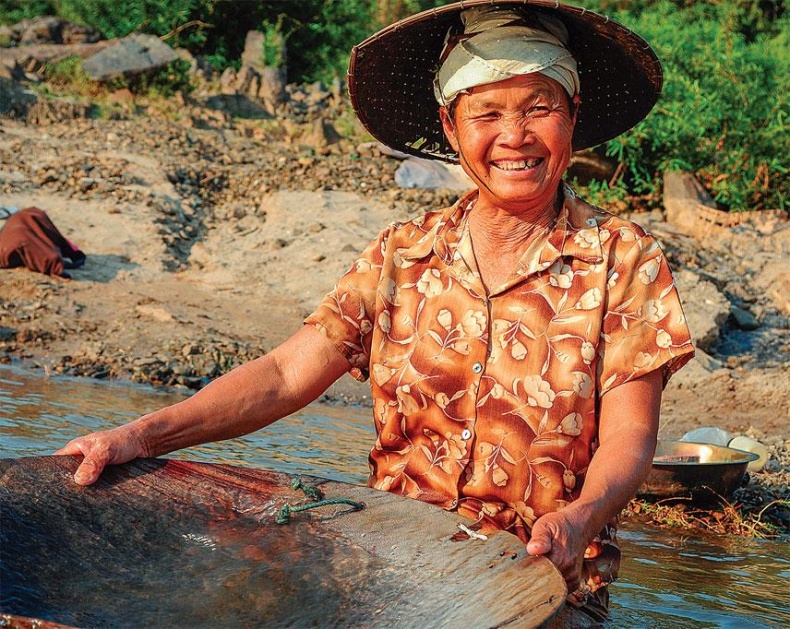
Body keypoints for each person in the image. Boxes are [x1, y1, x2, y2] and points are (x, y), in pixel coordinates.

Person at [58, 1, 694, 625]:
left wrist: (581, 516)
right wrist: (139, 436)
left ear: (572, 117)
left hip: (543, 589)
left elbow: (629, 439)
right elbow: (283, 376)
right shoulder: (405, 252)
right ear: (450, 128)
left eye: (539, 108)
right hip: (391, 571)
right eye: (487, 113)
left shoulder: (622, 258)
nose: (515, 136)